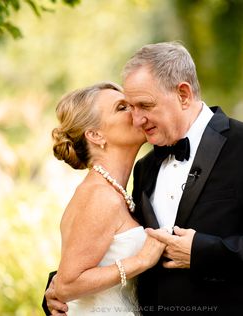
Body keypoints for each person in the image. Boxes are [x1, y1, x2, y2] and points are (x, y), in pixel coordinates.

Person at [45, 42, 243, 315]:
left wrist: (204, 252)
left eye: (144, 105)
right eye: (129, 108)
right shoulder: (146, 168)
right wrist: (60, 291)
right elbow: (114, 246)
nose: (137, 120)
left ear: (183, 94)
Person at [45, 81, 166, 316]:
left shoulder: (116, 190)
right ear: (95, 135)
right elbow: (67, 285)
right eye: (122, 107)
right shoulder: (99, 195)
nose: (136, 112)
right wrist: (141, 261)